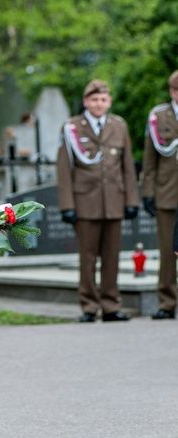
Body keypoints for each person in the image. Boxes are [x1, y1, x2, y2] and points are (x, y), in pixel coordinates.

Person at [56, 79, 139, 323]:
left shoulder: (119, 126)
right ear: (86, 102)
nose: (99, 104)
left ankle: (111, 305)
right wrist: (67, 205)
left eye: (103, 100)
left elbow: (127, 167)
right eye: (94, 100)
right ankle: (90, 306)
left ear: (109, 102)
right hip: (85, 204)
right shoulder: (72, 127)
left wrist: (131, 200)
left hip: (114, 201)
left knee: (112, 256)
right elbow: (64, 169)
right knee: (88, 257)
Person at [140, 70, 178, 320]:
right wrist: (148, 192)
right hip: (169, 193)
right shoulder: (158, 117)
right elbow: (150, 160)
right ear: (173, 92)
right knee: (167, 250)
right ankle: (167, 301)